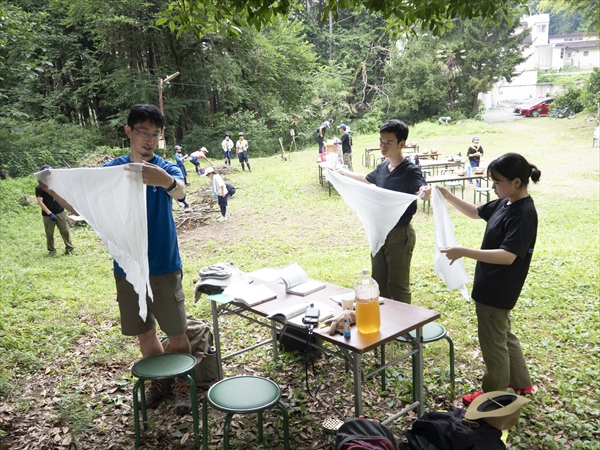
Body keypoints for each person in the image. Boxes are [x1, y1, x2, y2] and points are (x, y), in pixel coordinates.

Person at [434, 153, 540, 405]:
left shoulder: (523, 213)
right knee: (503, 334)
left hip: (498, 288)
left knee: (494, 345)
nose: (492, 186)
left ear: (516, 181)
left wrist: (463, 251)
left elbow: (507, 256)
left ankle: (493, 396)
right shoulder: (506, 202)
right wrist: (448, 196)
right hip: (491, 284)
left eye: (497, 181)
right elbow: (476, 212)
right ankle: (521, 382)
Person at [333, 119, 430, 304]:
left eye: (388, 142)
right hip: (379, 232)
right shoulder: (383, 167)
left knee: (398, 286)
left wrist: (425, 193)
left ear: (402, 144)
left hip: (399, 234)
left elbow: (422, 191)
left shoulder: (410, 171)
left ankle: (404, 328)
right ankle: (386, 326)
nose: (382, 147)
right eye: (381, 141)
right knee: (379, 283)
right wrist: (341, 172)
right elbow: (367, 178)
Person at [35, 165, 75, 257]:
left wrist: (67, 210)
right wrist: (49, 213)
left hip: (60, 212)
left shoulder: (57, 185)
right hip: (47, 215)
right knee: (49, 233)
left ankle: (70, 249)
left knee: (65, 231)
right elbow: (40, 202)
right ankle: (51, 250)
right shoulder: (39, 188)